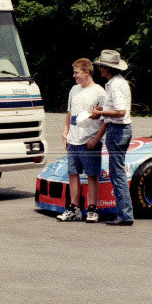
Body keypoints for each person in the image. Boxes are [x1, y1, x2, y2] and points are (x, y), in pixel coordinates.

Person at [57, 58, 106, 223]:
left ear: (87, 72)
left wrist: (97, 138)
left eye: (76, 72)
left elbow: (105, 119)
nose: (74, 76)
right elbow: (69, 114)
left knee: (92, 175)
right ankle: (74, 208)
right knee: (73, 174)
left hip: (89, 141)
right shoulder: (73, 90)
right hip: (73, 140)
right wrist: (65, 132)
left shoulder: (100, 92)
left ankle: (93, 208)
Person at [90, 49, 134, 225]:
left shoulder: (115, 85)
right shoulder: (118, 83)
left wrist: (101, 113)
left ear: (107, 68)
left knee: (117, 175)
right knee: (117, 173)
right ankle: (124, 213)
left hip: (117, 129)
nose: (100, 69)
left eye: (101, 66)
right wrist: (103, 112)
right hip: (119, 129)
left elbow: (120, 111)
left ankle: (125, 215)